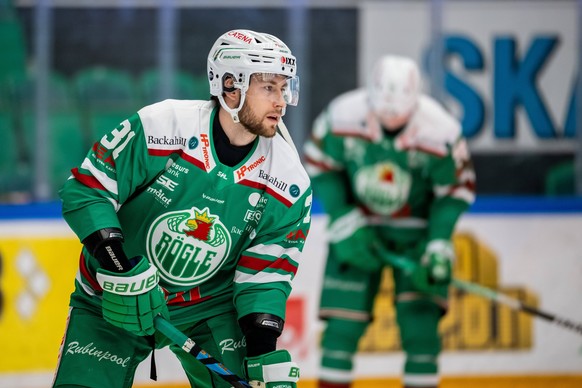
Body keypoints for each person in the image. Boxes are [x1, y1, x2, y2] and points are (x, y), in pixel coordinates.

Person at [53, 29, 311, 388]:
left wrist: (262, 353)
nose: (281, 101)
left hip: (208, 308)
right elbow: (87, 190)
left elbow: (265, 274)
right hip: (111, 295)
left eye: (284, 88)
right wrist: (119, 269)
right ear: (230, 85)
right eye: (269, 88)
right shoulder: (163, 125)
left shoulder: (289, 179)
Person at [303, 55, 475, 388]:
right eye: (383, 112)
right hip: (356, 228)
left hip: (418, 235)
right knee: (342, 328)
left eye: (397, 114)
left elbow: (455, 191)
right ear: (369, 96)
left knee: (421, 330)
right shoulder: (341, 115)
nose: (390, 119)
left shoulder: (442, 131)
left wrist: (439, 242)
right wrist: (341, 215)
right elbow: (319, 163)